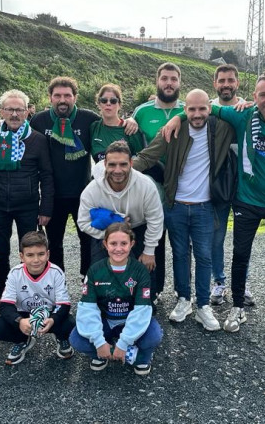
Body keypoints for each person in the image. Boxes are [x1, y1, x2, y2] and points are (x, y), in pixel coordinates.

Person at [163, 71, 265, 337]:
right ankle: (238, 306)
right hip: (247, 201)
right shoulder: (243, 116)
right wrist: (179, 115)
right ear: (254, 97)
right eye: (263, 95)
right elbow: (204, 110)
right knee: (240, 256)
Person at [133, 89, 235, 331]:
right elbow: (147, 157)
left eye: (202, 109)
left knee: (204, 256)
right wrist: (116, 173)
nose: (197, 114)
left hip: (205, 206)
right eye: (191, 109)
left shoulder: (221, 128)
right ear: (185, 109)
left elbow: (244, 116)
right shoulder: (174, 130)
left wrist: (245, 104)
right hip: (175, 206)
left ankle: (202, 305)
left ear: (209, 108)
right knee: (179, 255)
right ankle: (183, 299)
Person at [29, 76, 137, 279]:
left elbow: (110, 124)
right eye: (57, 95)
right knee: (54, 241)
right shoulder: (39, 120)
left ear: (75, 97)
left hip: (83, 192)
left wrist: (131, 121)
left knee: (87, 239)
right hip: (52, 193)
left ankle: (87, 278)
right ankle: (56, 281)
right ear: (50, 97)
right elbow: (19, 130)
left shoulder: (89, 119)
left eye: (67, 95)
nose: (63, 100)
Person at [69, 222, 163, 375]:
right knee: (76, 339)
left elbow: (142, 310)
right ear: (105, 244)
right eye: (113, 243)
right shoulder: (95, 270)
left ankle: (142, 358)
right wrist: (99, 342)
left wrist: (124, 342)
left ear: (131, 244)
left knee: (153, 336)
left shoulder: (140, 271)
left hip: (129, 319)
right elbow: (87, 308)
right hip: (106, 320)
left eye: (124, 243)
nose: (118, 249)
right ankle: (103, 353)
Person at [0, 89, 54, 295]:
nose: (14, 114)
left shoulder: (37, 139)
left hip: (27, 204)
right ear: (1, 111)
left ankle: (29, 291)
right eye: (9, 110)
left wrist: (46, 208)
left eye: (19, 110)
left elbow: (47, 175)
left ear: (27, 112)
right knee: (0, 249)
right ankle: (3, 290)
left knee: (29, 250)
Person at [130, 62, 184, 299]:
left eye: (173, 79)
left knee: (182, 243)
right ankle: (155, 288)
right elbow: (131, 139)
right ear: (157, 81)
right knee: (154, 237)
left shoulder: (188, 108)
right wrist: (129, 121)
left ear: (180, 82)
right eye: (165, 78)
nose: (169, 83)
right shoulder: (142, 111)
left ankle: (183, 293)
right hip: (152, 184)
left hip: (184, 184)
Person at [77, 141, 164, 281]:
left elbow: (155, 220)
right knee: (100, 276)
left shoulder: (146, 185)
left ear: (131, 162)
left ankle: (149, 295)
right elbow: (83, 222)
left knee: (146, 278)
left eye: (123, 164)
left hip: (138, 228)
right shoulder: (92, 190)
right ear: (105, 164)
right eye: (112, 164)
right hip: (106, 233)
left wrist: (149, 251)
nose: (117, 170)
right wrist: (111, 233)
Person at [0, 231, 75, 364]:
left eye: (41, 254)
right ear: (22, 256)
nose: (36, 260)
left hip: (48, 315)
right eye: (30, 255)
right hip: (25, 315)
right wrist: (19, 321)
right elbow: (5, 305)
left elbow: (64, 304)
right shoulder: (15, 273)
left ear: (47, 254)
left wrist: (53, 320)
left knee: (70, 324)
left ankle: (61, 338)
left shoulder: (56, 272)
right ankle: (23, 340)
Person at [208, 64, 254, 306]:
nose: (226, 84)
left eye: (230, 80)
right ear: (215, 83)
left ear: (237, 83)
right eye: (222, 80)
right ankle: (219, 282)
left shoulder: (247, 109)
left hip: (245, 184)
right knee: (216, 237)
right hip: (218, 183)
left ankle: (242, 283)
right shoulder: (208, 110)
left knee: (242, 238)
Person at [90, 83, 145, 162]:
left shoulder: (130, 129)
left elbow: (142, 160)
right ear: (99, 104)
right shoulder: (93, 127)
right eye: (104, 100)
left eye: (113, 101)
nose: (108, 104)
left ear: (119, 104)